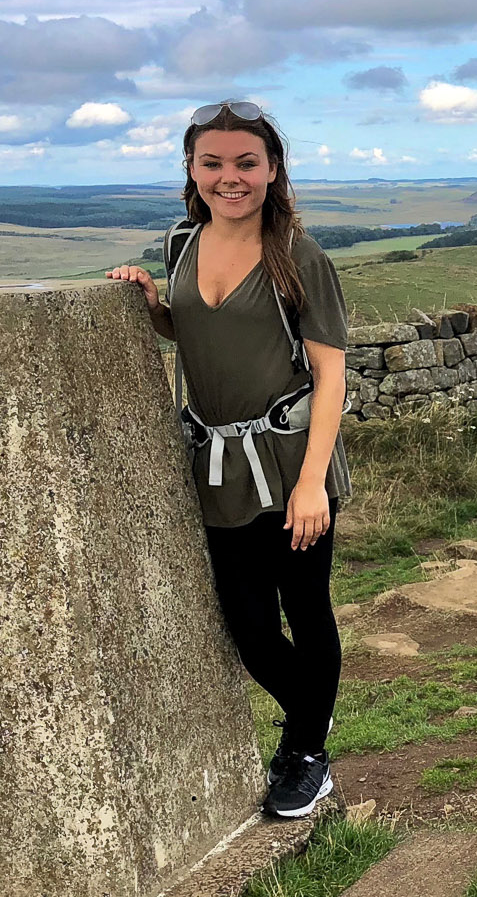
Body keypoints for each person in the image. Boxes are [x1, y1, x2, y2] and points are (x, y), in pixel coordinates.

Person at [107, 100, 350, 819]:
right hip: (217, 467)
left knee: (306, 612)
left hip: (289, 463)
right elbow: (198, 332)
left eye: (246, 162)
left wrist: (312, 485)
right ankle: (314, 716)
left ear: (273, 170)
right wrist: (152, 306)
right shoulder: (180, 245)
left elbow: (331, 374)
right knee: (247, 628)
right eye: (212, 162)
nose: (229, 177)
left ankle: (306, 753)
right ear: (191, 168)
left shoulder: (297, 255)